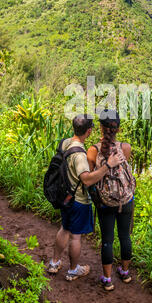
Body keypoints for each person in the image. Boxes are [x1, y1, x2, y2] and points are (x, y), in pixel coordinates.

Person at [47, 114, 124, 281]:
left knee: (64, 228)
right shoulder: (80, 155)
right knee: (75, 235)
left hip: (65, 195)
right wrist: (108, 166)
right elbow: (87, 179)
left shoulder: (66, 142)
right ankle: (73, 269)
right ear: (89, 131)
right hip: (78, 200)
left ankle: (54, 262)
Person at [87, 109, 134, 291]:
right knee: (125, 236)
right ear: (118, 129)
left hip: (105, 201)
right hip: (125, 199)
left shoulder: (93, 150)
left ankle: (107, 279)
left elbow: (92, 176)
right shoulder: (125, 147)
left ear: (100, 127)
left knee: (107, 239)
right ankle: (125, 272)